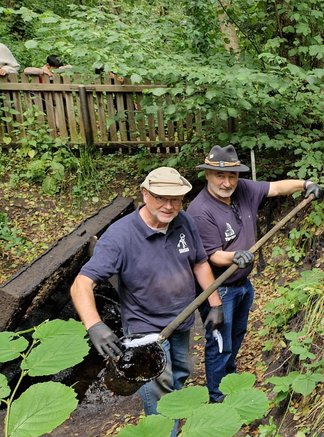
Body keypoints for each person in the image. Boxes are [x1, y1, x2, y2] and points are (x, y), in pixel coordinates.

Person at [71, 167, 224, 419]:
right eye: (160, 198)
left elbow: (199, 262)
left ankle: (176, 415)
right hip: (146, 330)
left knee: (181, 373)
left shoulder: (184, 221)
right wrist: (94, 325)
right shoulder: (120, 237)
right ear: (145, 194)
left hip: (181, 320)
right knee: (158, 392)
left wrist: (215, 303)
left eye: (175, 199)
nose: (168, 206)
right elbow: (82, 283)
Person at [186, 145, 322, 402]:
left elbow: (277, 188)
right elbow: (211, 256)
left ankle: (230, 379)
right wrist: (233, 256)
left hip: (242, 284)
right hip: (218, 288)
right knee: (219, 343)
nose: (227, 183)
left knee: (236, 335)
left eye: (232, 176)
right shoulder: (200, 211)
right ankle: (218, 397)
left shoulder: (244, 188)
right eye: (220, 176)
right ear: (208, 175)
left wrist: (306, 184)